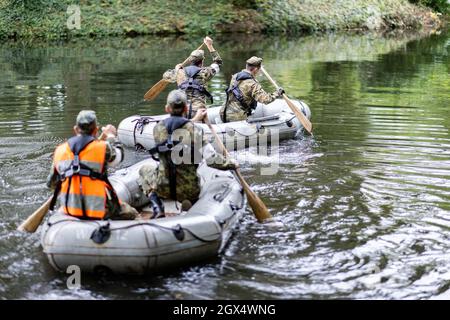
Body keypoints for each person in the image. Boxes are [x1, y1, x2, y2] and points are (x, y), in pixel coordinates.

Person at [139, 89, 238, 218]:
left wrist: (193, 120)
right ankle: (191, 203)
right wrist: (232, 163)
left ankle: (157, 206)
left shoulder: (158, 129)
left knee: (144, 170)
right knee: (198, 174)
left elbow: (174, 129)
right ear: (186, 108)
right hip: (189, 190)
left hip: (163, 187)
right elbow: (212, 160)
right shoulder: (195, 130)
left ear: (167, 108)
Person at [46, 110, 138, 220]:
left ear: (75, 129)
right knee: (132, 213)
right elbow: (119, 157)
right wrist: (111, 136)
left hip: (70, 209)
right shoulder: (103, 148)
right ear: (96, 130)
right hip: (99, 210)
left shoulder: (59, 151)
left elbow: (51, 184)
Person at [164, 37, 223, 120]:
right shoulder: (205, 72)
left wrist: (177, 68)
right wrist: (209, 46)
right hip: (199, 111)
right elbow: (218, 62)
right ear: (202, 61)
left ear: (190, 61)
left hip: (182, 110)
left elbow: (166, 76)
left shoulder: (179, 72)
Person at [220, 56, 284, 123]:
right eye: (259, 70)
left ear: (246, 66)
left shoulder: (235, 76)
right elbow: (266, 100)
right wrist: (277, 93)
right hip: (236, 118)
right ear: (256, 69)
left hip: (223, 113)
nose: (259, 71)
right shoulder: (253, 84)